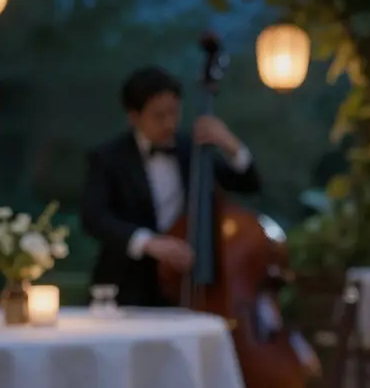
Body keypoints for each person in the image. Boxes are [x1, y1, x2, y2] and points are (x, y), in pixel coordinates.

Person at [82, 66, 261, 306]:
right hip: (127, 287)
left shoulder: (194, 151)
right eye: (158, 115)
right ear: (134, 117)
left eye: (174, 113)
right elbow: (94, 218)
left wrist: (231, 145)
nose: (169, 123)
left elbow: (249, 184)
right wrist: (149, 243)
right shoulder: (108, 158)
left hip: (189, 284)